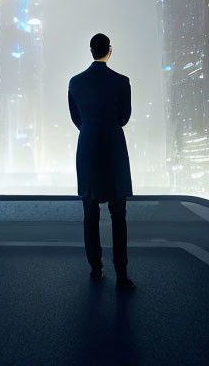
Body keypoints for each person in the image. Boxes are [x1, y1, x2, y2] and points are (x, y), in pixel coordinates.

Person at [68, 33, 135, 289]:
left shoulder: (75, 82)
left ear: (90, 50)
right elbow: (124, 117)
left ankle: (96, 268)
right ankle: (122, 273)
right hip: (113, 147)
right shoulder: (121, 81)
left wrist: (91, 129)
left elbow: (77, 119)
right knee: (119, 215)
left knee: (90, 214)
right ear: (109, 50)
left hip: (87, 147)